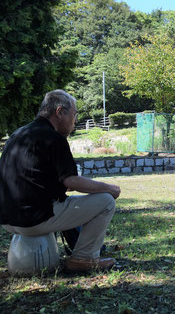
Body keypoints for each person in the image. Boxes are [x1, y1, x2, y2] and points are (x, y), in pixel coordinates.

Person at [0, 90, 121, 273]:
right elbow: (71, 182)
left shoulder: (18, 134)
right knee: (106, 201)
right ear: (59, 112)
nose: (74, 121)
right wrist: (110, 188)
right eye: (73, 115)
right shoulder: (54, 138)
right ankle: (84, 258)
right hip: (34, 219)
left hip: (7, 219)